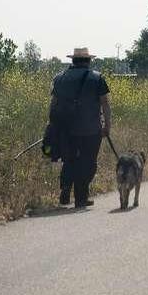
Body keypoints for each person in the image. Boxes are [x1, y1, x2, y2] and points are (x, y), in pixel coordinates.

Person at [49, 47, 111, 208]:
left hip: (65, 129)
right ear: (88, 61)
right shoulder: (97, 78)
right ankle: (80, 198)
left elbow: (53, 104)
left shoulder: (59, 78)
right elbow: (104, 103)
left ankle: (65, 189)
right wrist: (107, 126)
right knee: (87, 162)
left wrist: (54, 127)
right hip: (90, 129)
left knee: (69, 160)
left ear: (73, 60)